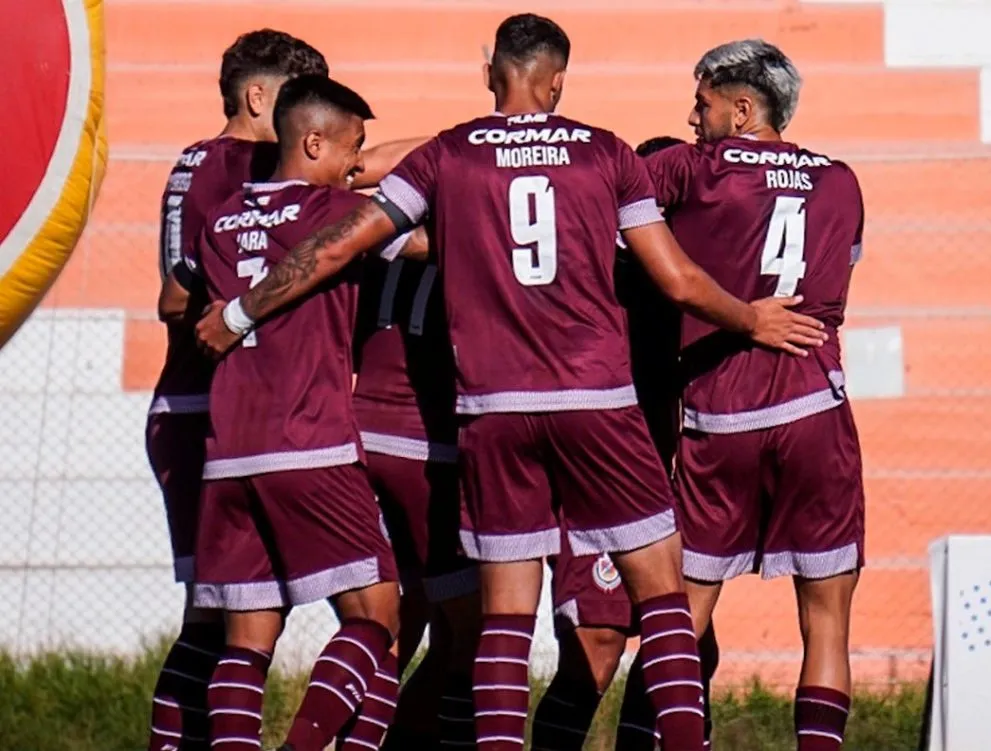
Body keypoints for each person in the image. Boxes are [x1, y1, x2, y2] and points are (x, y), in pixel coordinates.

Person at [193, 15, 827, 751]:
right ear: (558, 79)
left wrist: (240, 311)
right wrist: (751, 319)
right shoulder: (605, 152)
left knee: (502, 618)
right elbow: (679, 280)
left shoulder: (451, 154)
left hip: (489, 412)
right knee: (662, 597)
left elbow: (338, 243)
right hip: (597, 403)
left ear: (489, 69)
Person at [643, 39, 866, 751]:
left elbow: (593, 195)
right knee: (828, 620)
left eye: (703, 103)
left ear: (743, 110)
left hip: (723, 413)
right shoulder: (840, 180)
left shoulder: (693, 167)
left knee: (683, 613)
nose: (691, 117)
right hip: (816, 407)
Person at [184, 75, 405, 751]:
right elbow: (431, 198)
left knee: (246, 640)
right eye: (350, 149)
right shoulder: (332, 213)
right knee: (378, 614)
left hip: (228, 453)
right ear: (313, 141)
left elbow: (182, 298)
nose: (354, 165)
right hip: (311, 442)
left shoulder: (220, 220)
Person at [147, 29, 326, 751]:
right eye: (297, 101)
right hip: (213, 408)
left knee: (225, 617)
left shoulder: (194, 160)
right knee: (231, 621)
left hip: (191, 406)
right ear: (258, 97)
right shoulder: (244, 163)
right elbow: (177, 295)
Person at [531, 134, 686, 751]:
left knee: (688, 646)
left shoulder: (690, 276)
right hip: (594, 480)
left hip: (664, 476)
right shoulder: (600, 272)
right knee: (596, 648)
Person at [352, 232, 481, 749]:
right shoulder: (468, 243)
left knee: (399, 618)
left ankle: (365, 734)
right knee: (477, 628)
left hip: (361, 434)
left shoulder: (376, 245)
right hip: (427, 451)